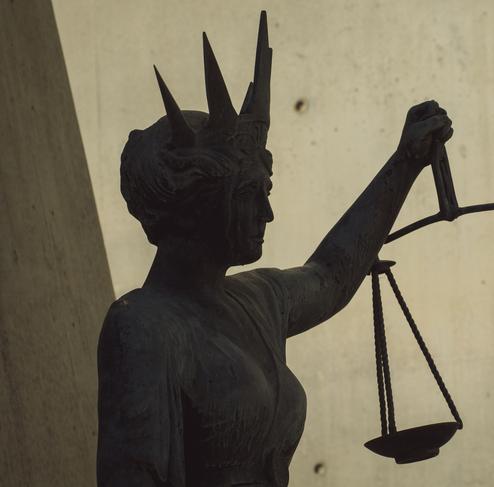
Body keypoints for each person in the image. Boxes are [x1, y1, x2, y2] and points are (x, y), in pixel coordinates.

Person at [97, 11, 453, 487]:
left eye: (267, 191)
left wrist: (405, 163)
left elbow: (330, 274)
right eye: (250, 194)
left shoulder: (259, 299)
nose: (267, 214)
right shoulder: (143, 328)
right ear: (196, 202)